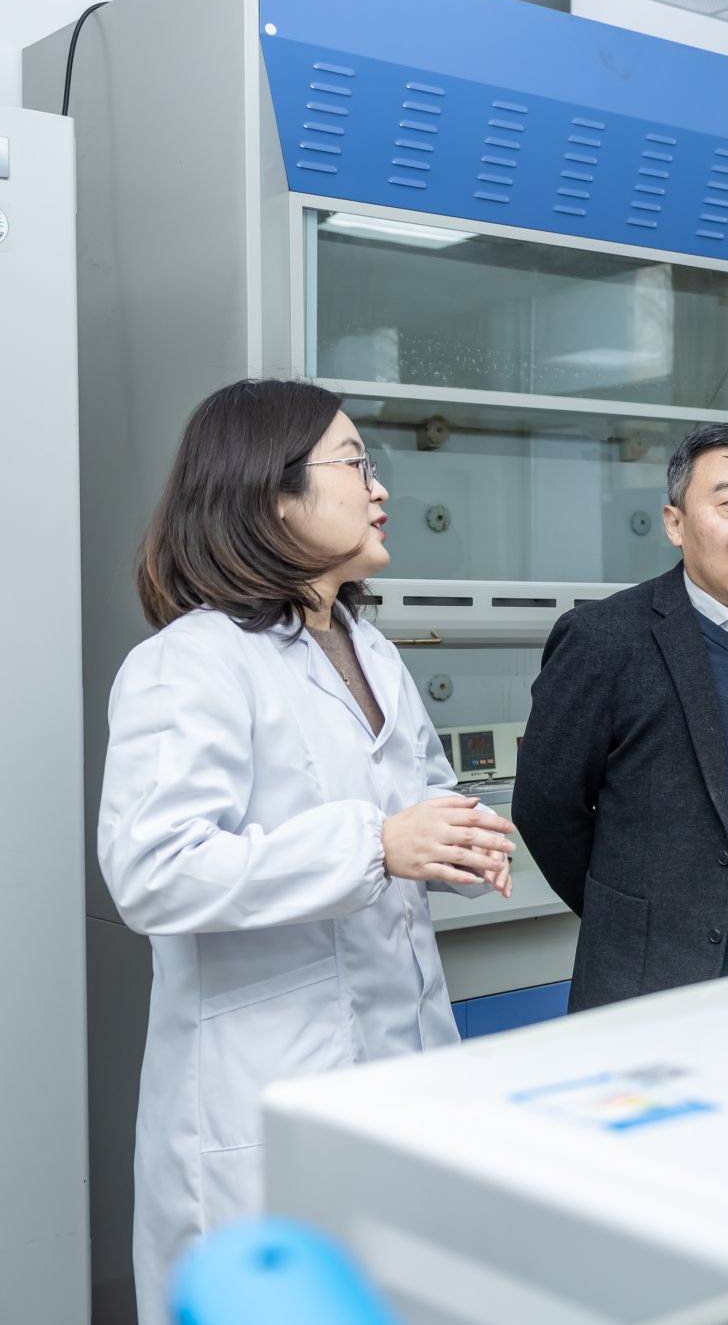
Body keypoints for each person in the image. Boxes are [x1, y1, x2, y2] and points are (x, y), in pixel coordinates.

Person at [98, 379, 515, 1325]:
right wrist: (376, 844)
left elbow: (418, 798)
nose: (380, 488)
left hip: (400, 1078)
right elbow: (152, 868)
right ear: (274, 494)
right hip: (266, 1094)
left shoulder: (371, 651)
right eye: (357, 463)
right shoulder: (191, 660)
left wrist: (457, 836)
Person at [515, 423, 728, 1008]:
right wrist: (637, 915)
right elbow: (546, 807)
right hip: (664, 991)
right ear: (675, 524)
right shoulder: (605, 639)